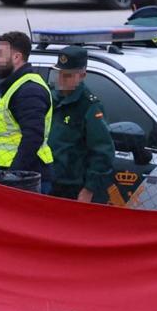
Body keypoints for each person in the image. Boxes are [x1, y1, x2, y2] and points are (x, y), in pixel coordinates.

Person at [48, 46, 115, 202]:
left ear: (82, 75)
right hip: (47, 182)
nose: (61, 79)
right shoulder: (50, 98)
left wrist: (88, 189)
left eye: (68, 75)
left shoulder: (89, 106)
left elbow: (102, 151)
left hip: (73, 188)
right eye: (60, 73)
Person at [0, 31, 54, 191]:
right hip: (19, 175)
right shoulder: (17, 86)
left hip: (27, 180)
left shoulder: (29, 89)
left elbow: (33, 137)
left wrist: (14, 176)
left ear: (16, 57)